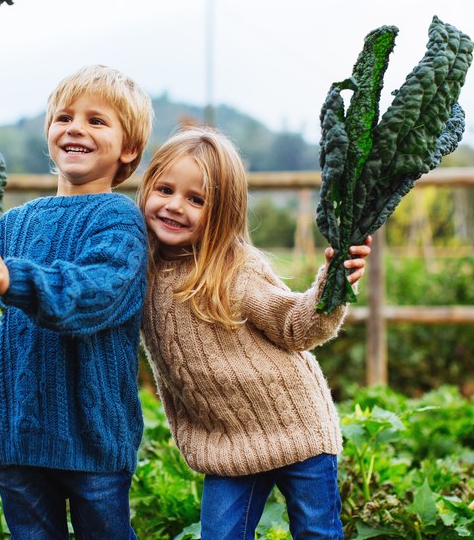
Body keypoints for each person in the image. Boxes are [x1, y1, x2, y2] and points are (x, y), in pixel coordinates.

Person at [0, 64, 153, 540]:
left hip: (92, 438)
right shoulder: (11, 226)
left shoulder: (120, 221)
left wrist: (16, 276)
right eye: (64, 117)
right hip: (15, 435)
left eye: (97, 121)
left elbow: (95, 294)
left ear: (129, 148)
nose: (75, 127)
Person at [136, 126, 371, 540]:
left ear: (223, 211)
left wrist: (333, 285)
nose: (175, 206)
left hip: (296, 425)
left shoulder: (235, 270)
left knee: (317, 531)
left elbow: (297, 326)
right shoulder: (139, 270)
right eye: (165, 190)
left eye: (196, 199)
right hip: (226, 441)